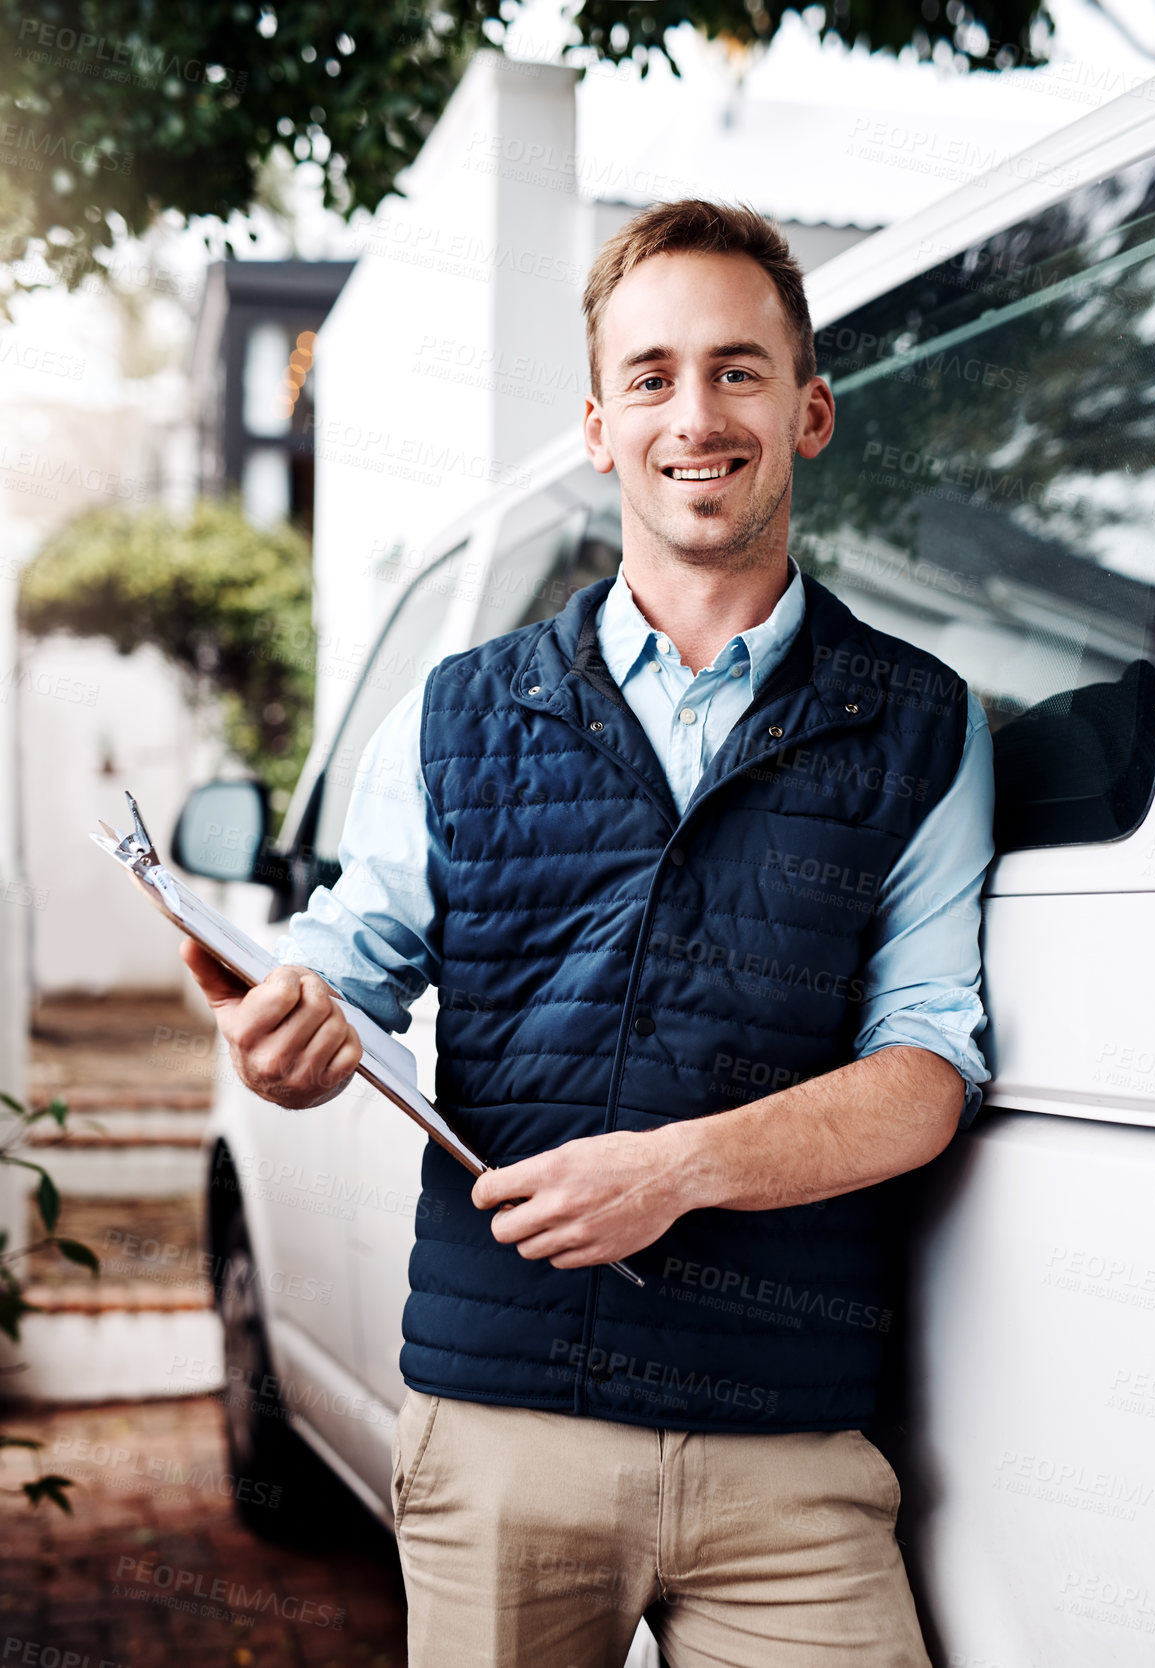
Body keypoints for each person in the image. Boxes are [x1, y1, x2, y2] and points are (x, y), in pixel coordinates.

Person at [182, 199, 994, 1668]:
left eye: (739, 371)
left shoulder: (923, 720)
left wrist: (675, 1171)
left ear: (809, 410)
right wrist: (290, 1033)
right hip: (506, 1432)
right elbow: (347, 968)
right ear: (596, 426)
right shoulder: (456, 711)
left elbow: (926, 1065)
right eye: (653, 376)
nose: (698, 414)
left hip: (790, 1452)